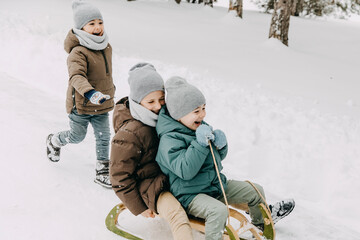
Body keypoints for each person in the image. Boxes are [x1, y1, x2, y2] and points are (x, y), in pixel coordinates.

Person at [155, 76, 295, 240]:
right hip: (190, 195)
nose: (203, 114)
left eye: (203, 108)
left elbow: (216, 159)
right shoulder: (169, 140)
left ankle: (259, 226)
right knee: (218, 211)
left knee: (255, 191)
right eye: (196, 111)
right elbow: (186, 170)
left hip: (213, 185)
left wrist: (221, 146)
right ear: (179, 115)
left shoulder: (199, 126)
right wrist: (200, 145)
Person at [109, 63, 194, 240]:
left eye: (161, 99)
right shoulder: (129, 135)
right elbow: (119, 176)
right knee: (178, 216)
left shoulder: (164, 119)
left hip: (171, 176)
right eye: (150, 101)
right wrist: (139, 207)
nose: (158, 106)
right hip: (149, 188)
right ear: (137, 102)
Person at [46, 1, 115, 188]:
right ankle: (54, 140)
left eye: (100, 22)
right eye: (91, 23)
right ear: (81, 27)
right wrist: (90, 92)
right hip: (82, 105)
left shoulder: (105, 47)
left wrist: (108, 91)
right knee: (77, 137)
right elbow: (76, 76)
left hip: (101, 103)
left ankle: (102, 170)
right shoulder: (78, 52)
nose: (97, 27)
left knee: (104, 136)